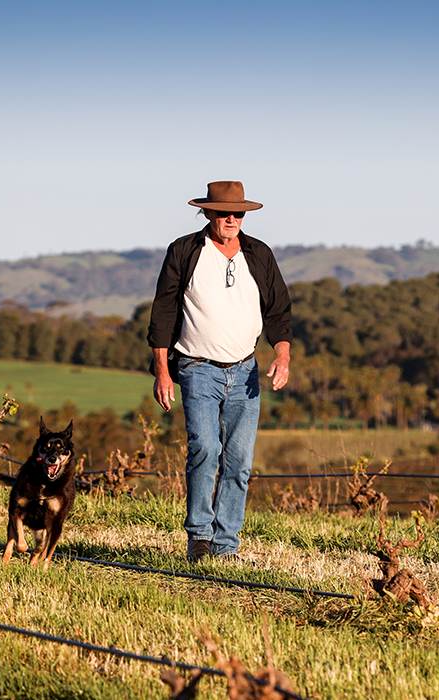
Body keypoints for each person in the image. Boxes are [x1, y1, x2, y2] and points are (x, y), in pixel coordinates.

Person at [147, 181, 292, 562]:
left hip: (246, 371)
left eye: (238, 213)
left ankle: (226, 545)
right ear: (208, 213)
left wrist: (283, 355)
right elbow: (162, 313)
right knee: (205, 449)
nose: (231, 218)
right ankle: (199, 536)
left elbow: (278, 311)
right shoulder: (184, 251)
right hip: (197, 368)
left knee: (239, 461)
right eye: (224, 212)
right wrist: (163, 371)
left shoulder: (259, 254)